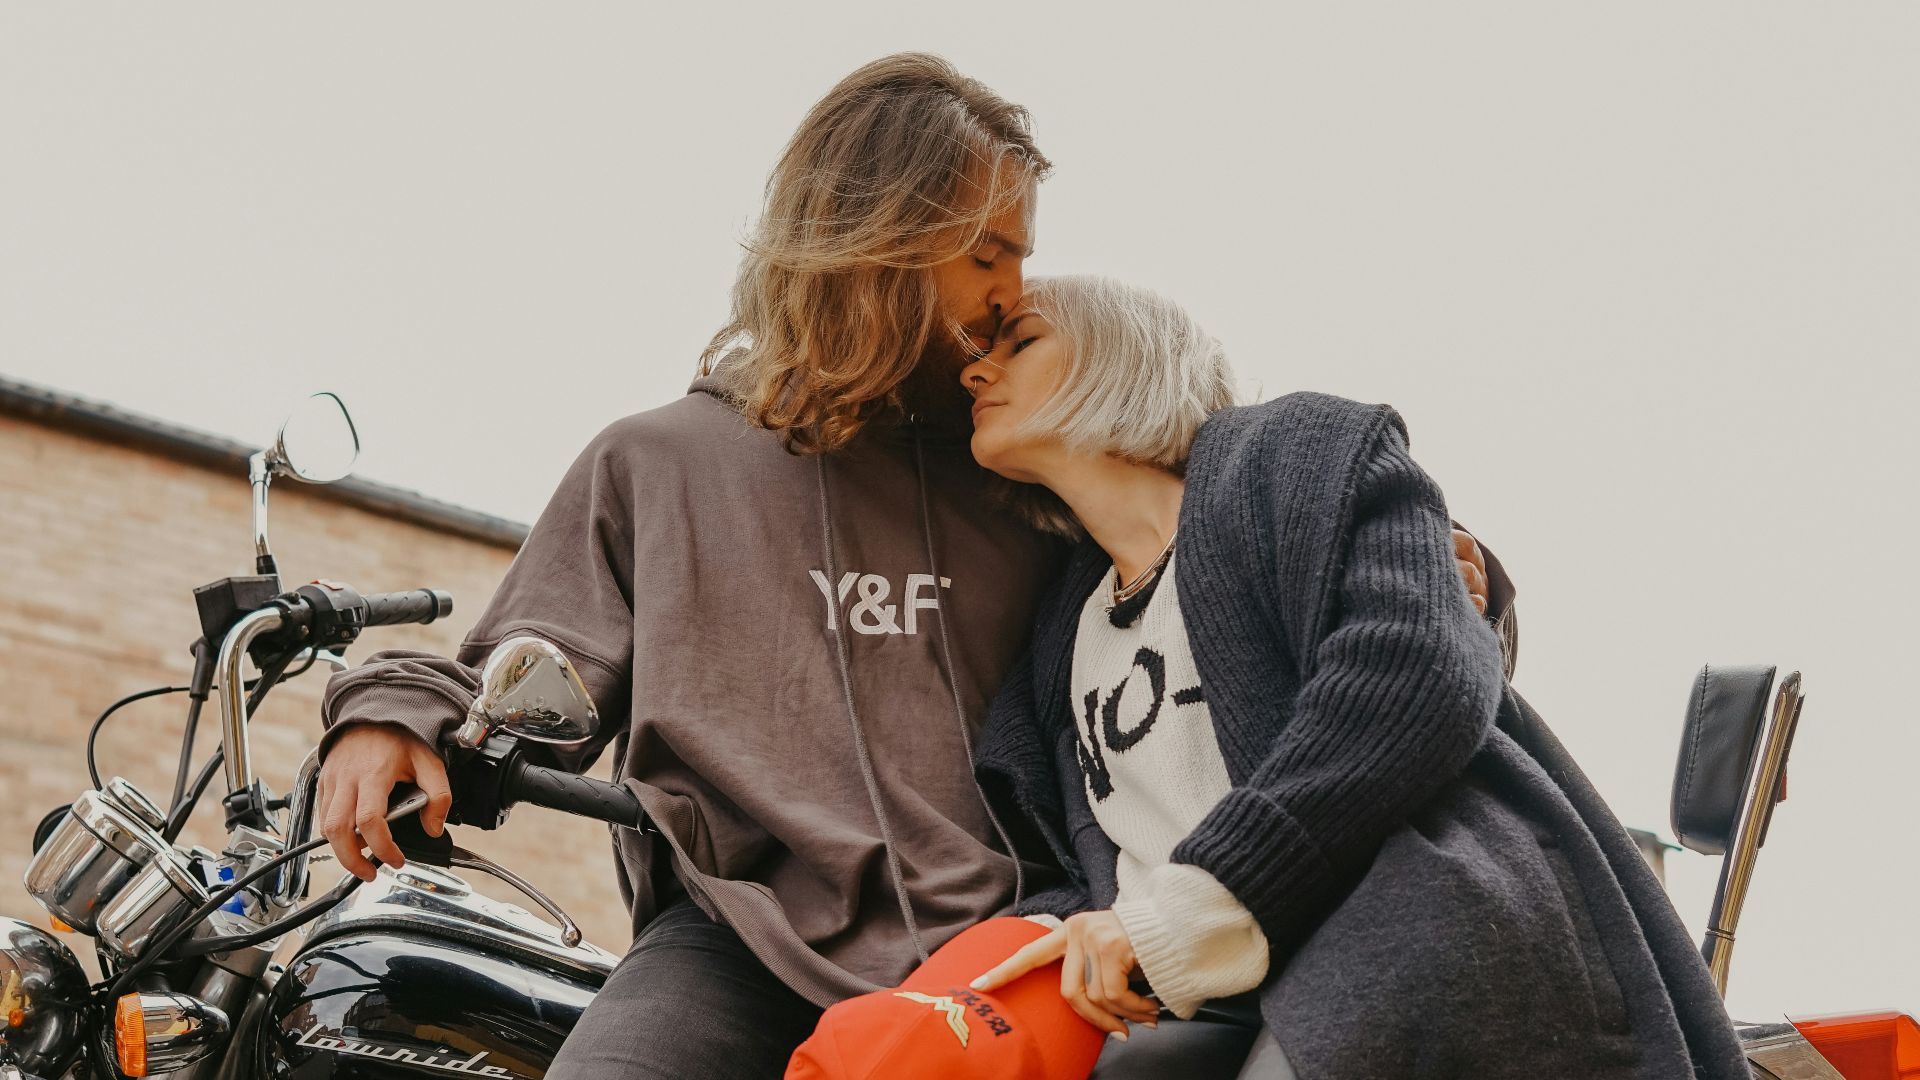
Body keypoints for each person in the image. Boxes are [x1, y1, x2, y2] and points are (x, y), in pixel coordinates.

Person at [313, 56, 1508, 1079]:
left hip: (1014, 933)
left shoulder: (1020, 460)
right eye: (985, 256)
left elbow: (1236, 534)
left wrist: (1458, 571)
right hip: (742, 937)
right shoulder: (657, 463)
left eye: (1019, 260)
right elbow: (526, 671)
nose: (1009, 298)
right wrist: (389, 714)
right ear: (876, 244)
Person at [963, 276, 1750, 1079]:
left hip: (1403, 933)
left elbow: (1416, 673)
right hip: (1202, 994)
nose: (976, 371)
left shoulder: (1295, 454)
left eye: (1019, 342)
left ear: (1120, 361)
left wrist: (1203, 896)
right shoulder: (1062, 632)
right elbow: (1059, 860)